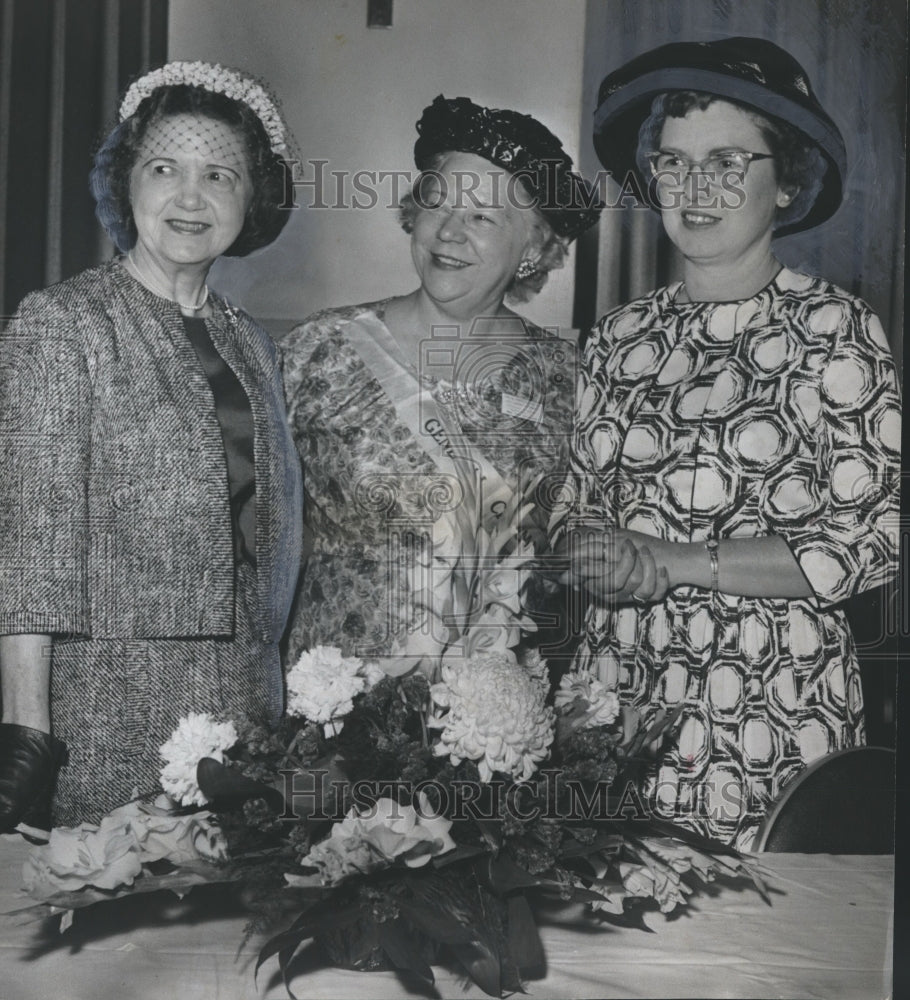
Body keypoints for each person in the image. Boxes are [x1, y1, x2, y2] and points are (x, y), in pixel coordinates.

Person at [554, 38, 901, 849]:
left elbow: (874, 542)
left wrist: (675, 561)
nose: (694, 188)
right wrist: (593, 555)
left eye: (727, 162)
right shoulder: (617, 337)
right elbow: (571, 512)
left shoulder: (837, 331)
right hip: (618, 693)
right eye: (673, 163)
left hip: (769, 706)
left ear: (787, 184)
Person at [0, 62, 303, 830]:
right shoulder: (63, 323)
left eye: (220, 175)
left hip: (248, 717)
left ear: (251, 200)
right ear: (125, 183)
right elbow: (31, 550)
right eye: (165, 168)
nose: (190, 198)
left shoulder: (252, 343)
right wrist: (27, 734)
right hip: (110, 721)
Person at [282, 95, 601, 677]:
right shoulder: (319, 348)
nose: (450, 232)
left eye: (482, 217)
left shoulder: (569, 377)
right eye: (439, 204)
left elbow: (580, 547)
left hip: (490, 703)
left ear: (533, 247)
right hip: (332, 699)